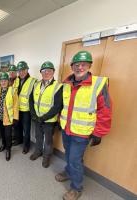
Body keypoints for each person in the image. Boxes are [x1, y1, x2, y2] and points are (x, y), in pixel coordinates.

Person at [55, 51, 112, 200]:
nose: (80, 67)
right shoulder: (66, 84)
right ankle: (68, 172)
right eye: (76, 65)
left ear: (89, 66)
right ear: (72, 66)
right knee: (68, 155)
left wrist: (99, 133)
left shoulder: (98, 85)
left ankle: (76, 188)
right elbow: (63, 106)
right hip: (67, 129)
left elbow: (105, 110)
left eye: (83, 64)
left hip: (82, 133)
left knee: (75, 159)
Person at [29, 61, 62, 168]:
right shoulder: (36, 84)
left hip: (49, 121)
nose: (46, 73)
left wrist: (43, 118)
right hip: (37, 119)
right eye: (44, 71)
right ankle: (38, 152)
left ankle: (46, 157)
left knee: (48, 141)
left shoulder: (58, 86)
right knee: (38, 137)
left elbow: (57, 106)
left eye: (49, 70)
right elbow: (31, 100)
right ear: (41, 72)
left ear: (53, 72)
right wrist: (34, 115)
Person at [0, 72, 19, 161]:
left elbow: (15, 105)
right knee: (2, 133)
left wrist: (15, 117)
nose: (3, 82)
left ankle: (8, 149)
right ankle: (3, 144)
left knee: (8, 135)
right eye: (1, 81)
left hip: (8, 118)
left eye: (5, 80)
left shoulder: (12, 91)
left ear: (8, 81)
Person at [13, 61, 37, 154]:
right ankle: (19, 140)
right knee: (17, 126)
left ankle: (26, 146)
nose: (21, 72)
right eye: (19, 71)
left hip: (26, 110)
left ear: (27, 70)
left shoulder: (33, 81)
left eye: (23, 70)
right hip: (17, 109)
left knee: (26, 129)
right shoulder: (16, 80)